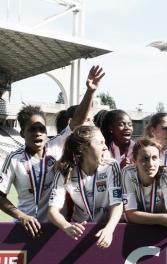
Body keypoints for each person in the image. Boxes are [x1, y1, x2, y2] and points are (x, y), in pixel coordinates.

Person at [0, 66, 104, 237]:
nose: (38, 133)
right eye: (32, 129)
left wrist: (90, 91)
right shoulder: (14, 159)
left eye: (41, 128)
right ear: (22, 133)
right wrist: (22, 216)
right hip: (26, 229)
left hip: (57, 230)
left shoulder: (56, 145)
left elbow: (77, 121)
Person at [48, 126, 123, 248]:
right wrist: (66, 226)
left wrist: (109, 229)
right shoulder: (66, 171)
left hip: (106, 231)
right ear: (83, 148)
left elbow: (117, 203)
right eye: (100, 143)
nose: (105, 147)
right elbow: (52, 211)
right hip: (79, 232)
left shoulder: (111, 166)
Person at [121, 138, 167, 231]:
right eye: (145, 159)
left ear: (160, 160)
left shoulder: (166, 175)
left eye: (154, 158)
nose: (150, 164)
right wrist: (164, 218)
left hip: (161, 231)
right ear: (134, 161)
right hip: (135, 230)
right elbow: (130, 215)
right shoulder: (128, 173)